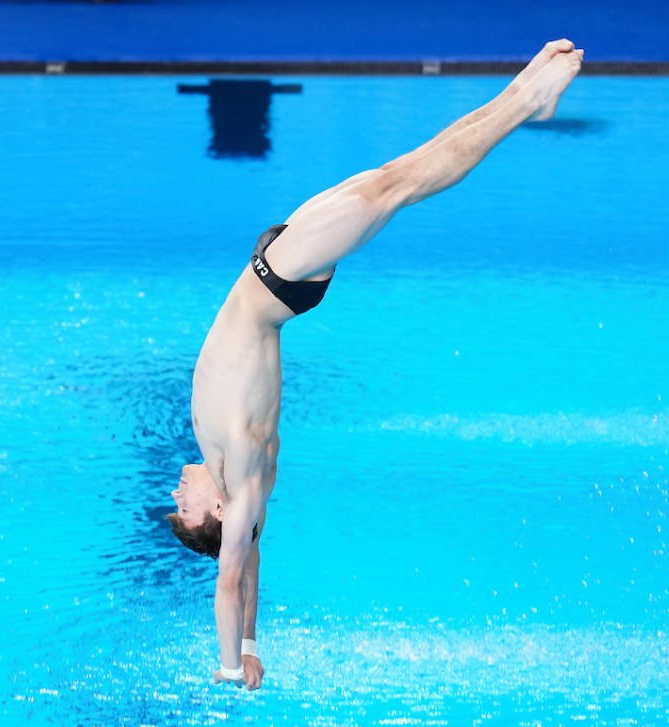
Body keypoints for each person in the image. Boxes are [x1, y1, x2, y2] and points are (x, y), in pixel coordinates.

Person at [166, 40, 584, 691]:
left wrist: (251, 641)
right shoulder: (240, 482)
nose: (174, 493)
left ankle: (525, 97)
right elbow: (228, 577)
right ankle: (526, 97)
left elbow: (247, 566)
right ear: (214, 511)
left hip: (279, 280)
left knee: (401, 180)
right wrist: (227, 667)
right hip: (277, 278)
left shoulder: (241, 492)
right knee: (405, 179)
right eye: (184, 507)